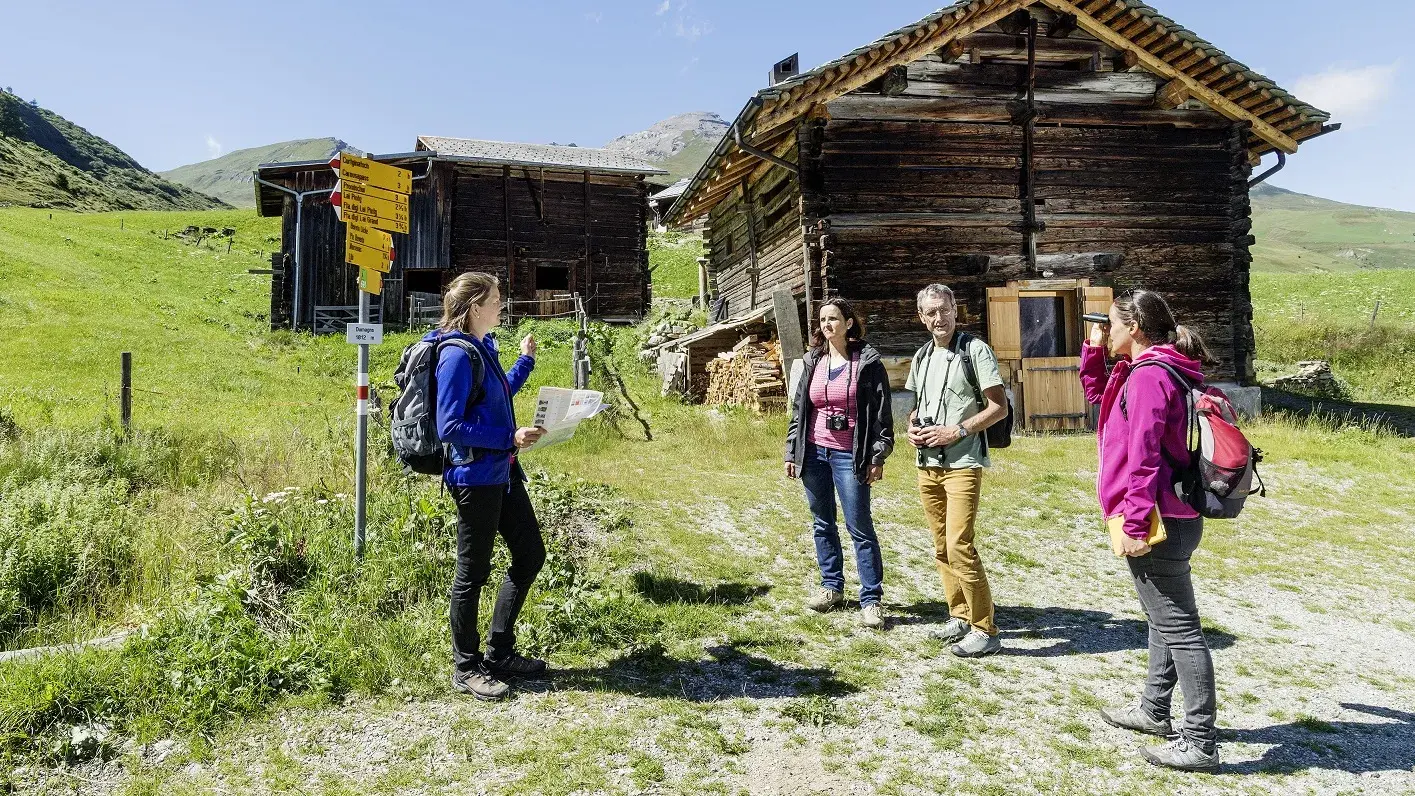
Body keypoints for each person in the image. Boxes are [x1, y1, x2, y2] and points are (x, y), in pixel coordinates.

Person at [1080, 288, 1221, 772]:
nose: (1108, 330)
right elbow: (1101, 399)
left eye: (1114, 324)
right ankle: (1154, 710)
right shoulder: (1157, 370)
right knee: (1164, 619)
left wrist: (1136, 523)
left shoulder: (1149, 379)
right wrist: (1094, 348)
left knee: (1180, 629)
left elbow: (1142, 459)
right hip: (1177, 514)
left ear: (1135, 328)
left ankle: (1201, 740)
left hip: (1156, 519)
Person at [432, 272, 549, 701]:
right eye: (496, 299)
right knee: (472, 573)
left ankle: (499, 653)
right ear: (476, 306)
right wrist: (508, 438)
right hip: (476, 479)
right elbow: (450, 426)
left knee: (530, 553)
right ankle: (466, 667)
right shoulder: (457, 356)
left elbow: (498, 394)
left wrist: (526, 361)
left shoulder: (484, 349)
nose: (503, 305)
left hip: (502, 474)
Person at [905, 284, 1009, 659]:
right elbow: (916, 407)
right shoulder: (922, 356)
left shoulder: (974, 350)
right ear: (921, 317)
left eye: (944, 310)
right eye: (931, 312)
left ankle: (985, 629)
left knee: (959, 545)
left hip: (963, 462)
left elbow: (999, 408)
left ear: (955, 309)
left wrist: (958, 430)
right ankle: (960, 615)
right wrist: (912, 427)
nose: (939, 318)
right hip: (927, 463)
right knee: (940, 546)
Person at [784, 298, 895, 628]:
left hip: (851, 455)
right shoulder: (812, 361)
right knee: (822, 522)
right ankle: (831, 586)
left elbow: (881, 414)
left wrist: (878, 455)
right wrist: (792, 451)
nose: (826, 325)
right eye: (822, 320)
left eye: (833, 318)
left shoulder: (867, 362)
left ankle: (871, 599)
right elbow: (799, 411)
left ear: (849, 322)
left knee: (859, 525)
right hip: (815, 452)